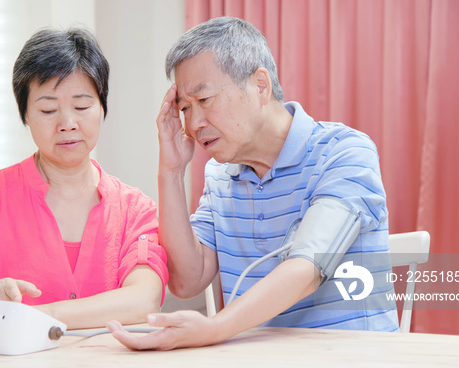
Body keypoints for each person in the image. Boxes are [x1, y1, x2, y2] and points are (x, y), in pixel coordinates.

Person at [107, 17, 398, 350]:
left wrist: (214, 328)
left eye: (204, 100)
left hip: (354, 356)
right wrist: (171, 172)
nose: (194, 123)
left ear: (260, 85)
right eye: (185, 108)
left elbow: (307, 267)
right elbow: (187, 281)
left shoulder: (343, 152)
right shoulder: (220, 177)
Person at [0, 28, 168, 330]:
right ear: (25, 115)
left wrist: (37, 318)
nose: (67, 124)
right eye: (48, 109)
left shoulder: (135, 209)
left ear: (102, 107)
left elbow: (144, 299)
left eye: (82, 106)